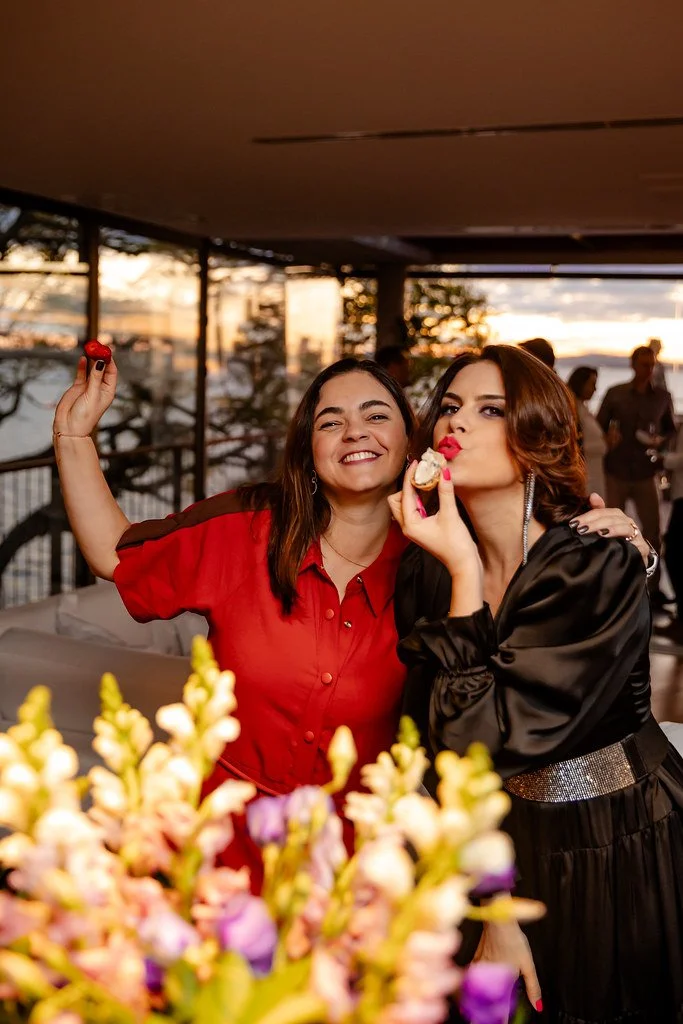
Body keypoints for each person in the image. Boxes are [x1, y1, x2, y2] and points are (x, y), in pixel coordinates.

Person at [52, 351, 648, 888]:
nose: (354, 431)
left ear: (414, 444)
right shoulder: (245, 528)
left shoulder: (443, 560)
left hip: (364, 863)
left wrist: (633, 551)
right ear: (309, 450)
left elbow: (522, 665)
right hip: (221, 842)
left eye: (375, 415)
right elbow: (115, 554)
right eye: (330, 421)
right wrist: (73, 437)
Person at [391, 345, 682, 1023]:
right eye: (450, 406)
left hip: (618, 844)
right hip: (499, 846)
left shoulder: (593, 563)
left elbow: (483, 741)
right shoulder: (427, 569)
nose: (455, 423)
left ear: (536, 437)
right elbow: (434, 750)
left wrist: (465, 571)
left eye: (490, 410)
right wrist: (491, 901)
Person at [597, 344, 676, 604]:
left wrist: (659, 442)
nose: (649, 370)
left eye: (652, 365)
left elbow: (670, 430)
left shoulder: (663, 397)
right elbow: (598, 426)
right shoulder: (616, 393)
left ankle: (653, 589)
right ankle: (613, 588)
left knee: (653, 531)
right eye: (644, 365)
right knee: (612, 532)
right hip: (616, 471)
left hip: (645, 472)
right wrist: (609, 437)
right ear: (633, 365)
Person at [566, 365, 607, 496]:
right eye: (592, 384)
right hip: (586, 475)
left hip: (594, 472)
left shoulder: (583, 409)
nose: (595, 389)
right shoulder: (573, 411)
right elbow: (575, 445)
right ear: (580, 383)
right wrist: (604, 444)